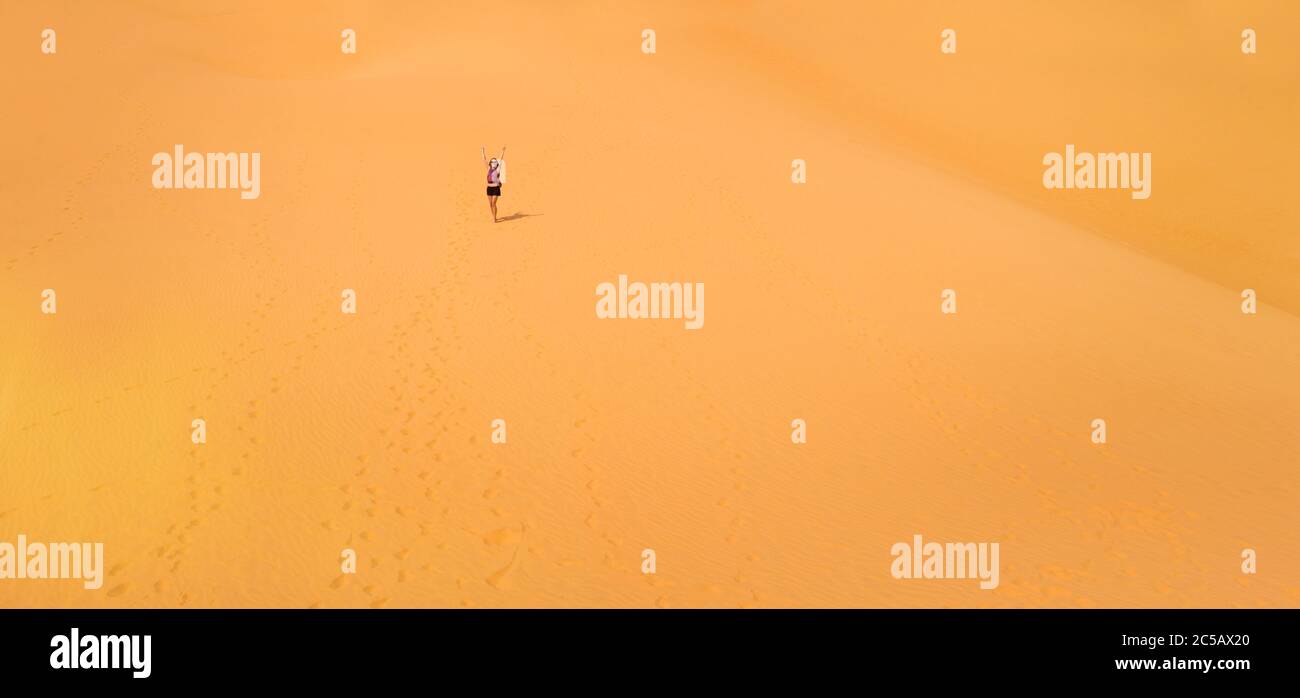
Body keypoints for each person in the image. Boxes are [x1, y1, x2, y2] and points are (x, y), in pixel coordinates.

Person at [481, 146, 506, 222]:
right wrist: (482, 151)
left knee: (493, 203)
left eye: (495, 162)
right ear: (490, 163)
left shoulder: (498, 169)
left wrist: (503, 151)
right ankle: (493, 216)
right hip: (489, 188)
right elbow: (484, 159)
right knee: (490, 204)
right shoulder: (488, 168)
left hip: (496, 188)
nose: (494, 163)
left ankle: (494, 218)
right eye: (492, 161)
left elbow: (501, 159)